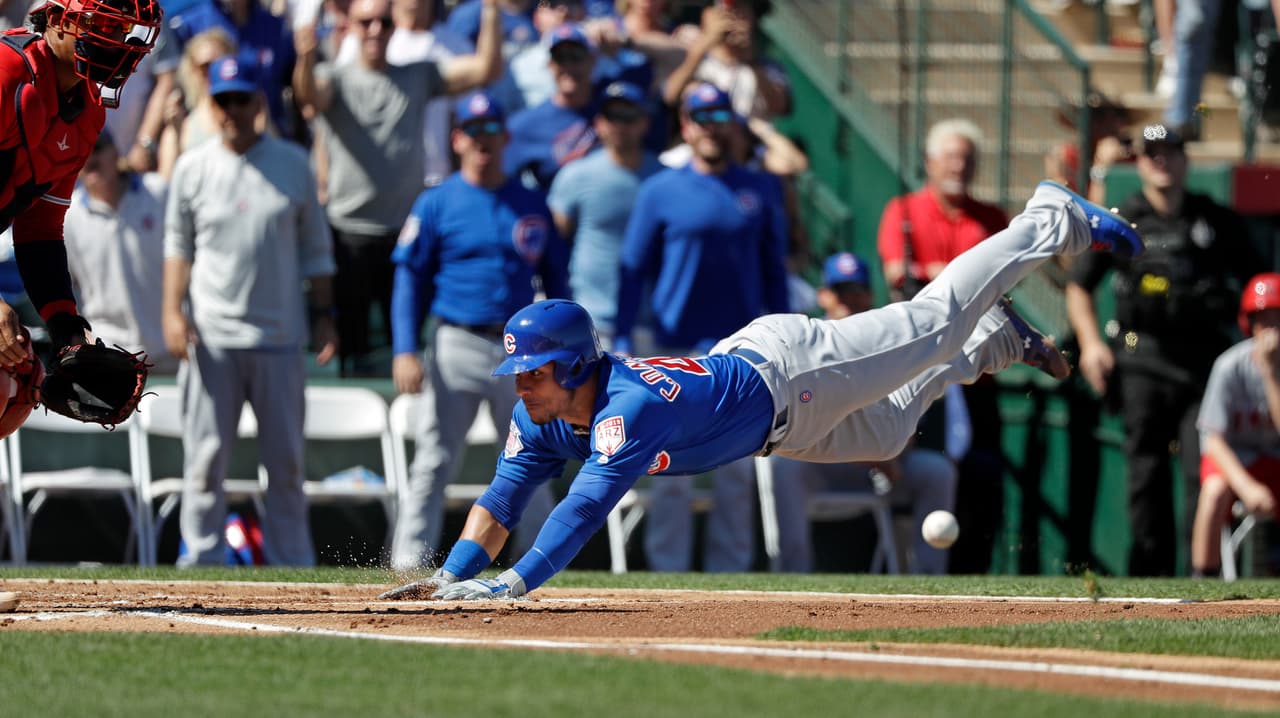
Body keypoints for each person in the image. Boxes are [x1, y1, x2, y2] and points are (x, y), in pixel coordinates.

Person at [378, 178, 1142, 600]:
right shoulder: (543, 414)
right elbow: (500, 499)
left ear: (574, 367)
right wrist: (450, 576)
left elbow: (582, 509)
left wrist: (511, 586)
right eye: (519, 373)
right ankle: (994, 345)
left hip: (790, 369)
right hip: (776, 427)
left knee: (930, 318)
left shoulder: (625, 409)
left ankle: (1049, 219)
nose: (522, 385)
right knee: (887, 434)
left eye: (535, 371)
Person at [162, 56, 337, 566]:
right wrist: (172, 312)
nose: (233, 109)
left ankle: (292, 562)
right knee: (205, 460)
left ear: (260, 103)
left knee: (284, 463)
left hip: (280, 337)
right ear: (211, 106)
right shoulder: (193, 167)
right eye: (224, 100)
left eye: (242, 98)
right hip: (213, 337)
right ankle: (199, 556)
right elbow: (178, 246)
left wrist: (325, 313)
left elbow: (316, 250)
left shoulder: (292, 164)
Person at [1066, 123, 1263, 577]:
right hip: (1140, 355)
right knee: (1146, 477)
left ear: (1184, 158)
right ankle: (1148, 578)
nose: (1162, 161)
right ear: (1139, 161)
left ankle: (1203, 574)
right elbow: (1078, 286)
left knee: (1202, 474)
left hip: (1202, 362)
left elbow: (1257, 283)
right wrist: (1093, 345)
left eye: (1170, 151)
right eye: (1152, 153)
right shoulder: (1124, 219)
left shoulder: (1214, 219)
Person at [388, 90, 568, 571]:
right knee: (434, 457)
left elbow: (557, 283)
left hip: (523, 348)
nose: (482, 140)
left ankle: (539, 562)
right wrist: (405, 348)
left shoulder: (529, 202)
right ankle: (409, 561)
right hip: (456, 338)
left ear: (506, 137)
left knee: (531, 457)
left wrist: (564, 348)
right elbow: (408, 278)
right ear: (457, 139)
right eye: (473, 131)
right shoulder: (436, 202)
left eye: (491, 131)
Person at [616, 81, 789, 573]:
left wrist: (782, 336)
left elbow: (774, 269)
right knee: (671, 468)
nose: (711, 127)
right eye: (701, 118)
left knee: (735, 471)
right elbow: (633, 270)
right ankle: (667, 571)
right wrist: (626, 339)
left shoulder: (759, 188)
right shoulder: (659, 190)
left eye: (719, 117)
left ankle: (730, 573)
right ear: (686, 127)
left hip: (741, 350)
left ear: (730, 124)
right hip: (674, 348)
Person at [293, 0, 502, 376]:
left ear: (396, 26)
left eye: (384, 22)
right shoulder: (336, 77)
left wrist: (490, 9)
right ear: (350, 25)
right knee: (353, 354)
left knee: (406, 352)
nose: (375, 30)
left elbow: (485, 69)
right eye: (366, 22)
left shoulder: (418, 75)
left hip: (404, 235)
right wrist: (305, 59)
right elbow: (309, 95)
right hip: (348, 236)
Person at [0, 0, 161, 434]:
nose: (117, 39)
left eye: (121, 28)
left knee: (16, 385)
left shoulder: (87, 107)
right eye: (102, 24)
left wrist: (66, 329)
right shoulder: (5, 72)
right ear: (54, 20)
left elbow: (40, 229)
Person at [766, 253, 958, 574]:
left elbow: (910, 416)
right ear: (824, 296)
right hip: (824, 463)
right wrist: (876, 454)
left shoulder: (891, 343)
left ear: (870, 295)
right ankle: (791, 573)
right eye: (841, 291)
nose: (849, 300)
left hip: (884, 463)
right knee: (784, 467)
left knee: (936, 471)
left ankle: (928, 580)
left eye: (857, 290)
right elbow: (805, 425)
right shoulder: (810, 343)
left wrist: (888, 453)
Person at [875, 116, 1009, 574]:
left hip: (977, 370)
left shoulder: (991, 219)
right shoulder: (904, 211)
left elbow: (999, 287)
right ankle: (914, 570)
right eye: (951, 157)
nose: (960, 166)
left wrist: (940, 278)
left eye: (968, 159)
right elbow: (900, 277)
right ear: (930, 162)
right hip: (922, 367)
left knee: (982, 476)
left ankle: (972, 574)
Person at [546, 80, 662, 347]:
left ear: (644, 122)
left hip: (652, 323)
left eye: (628, 116)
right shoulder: (576, 175)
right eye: (612, 116)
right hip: (590, 321)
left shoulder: (663, 178)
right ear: (599, 123)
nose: (620, 124)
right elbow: (553, 246)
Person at [1189, 273, 1280, 578]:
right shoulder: (1229, 366)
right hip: (1235, 461)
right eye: (1263, 320)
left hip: (1274, 460)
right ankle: (1203, 577)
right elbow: (1213, 441)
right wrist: (1246, 486)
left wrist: (1270, 374)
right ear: (1249, 324)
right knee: (1214, 491)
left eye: (1276, 320)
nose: (1270, 331)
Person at [64, 131, 177, 374]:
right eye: (82, 150)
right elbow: (67, 288)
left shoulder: (157, 193)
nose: (91, 158)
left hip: (169, 347)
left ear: (116, 152)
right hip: (108, 354)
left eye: (98, 148)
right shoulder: (69, 217)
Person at [661, 0, 789, 121]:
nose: (730, 17)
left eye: (739, 10)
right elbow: (670, 95)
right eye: (723, 10)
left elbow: (779, 107)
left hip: (745, 138)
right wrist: (704, 46)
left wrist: (750, 60)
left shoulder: (766, 65)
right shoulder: (687, 45)